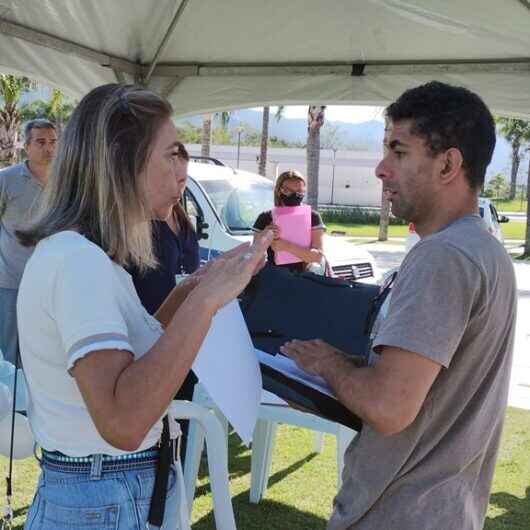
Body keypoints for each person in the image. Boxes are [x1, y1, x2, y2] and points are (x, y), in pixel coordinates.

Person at [16, 84, 272, 530]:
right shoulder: (77, 262)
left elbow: (129, 366)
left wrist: (190, 291)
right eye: (172, 154)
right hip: (106, 499)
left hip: (109, 493)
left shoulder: (87, 257)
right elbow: (124, 420)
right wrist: (207, 302)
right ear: (122, 160)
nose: (182, 173)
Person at [281, 81, 517, 530]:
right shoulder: (483, 250)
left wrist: (329, 364)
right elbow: (430, 395)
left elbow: (390, 407)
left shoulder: (443, 257)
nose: (380, 169)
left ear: (448, 163)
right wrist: (354, 369)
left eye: (399, 151)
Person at [128, 141, 199, 461]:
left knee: (183, 401)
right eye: (172, 179)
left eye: (183, 180)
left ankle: (177, 457)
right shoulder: (138, 225)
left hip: (185, 328)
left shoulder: (184, 221)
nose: (177, 187)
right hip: (151, 327)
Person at [0, 119, 57, 364]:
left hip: (52, 284)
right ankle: (10, 401)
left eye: (53, 142)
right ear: (26, 146)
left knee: (46, 351)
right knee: (10, 351)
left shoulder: (65, 181)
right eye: (41, 142)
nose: (49, 148)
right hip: (12, 282)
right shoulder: (6, 180)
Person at [253, 169, 325, 272]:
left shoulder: (312, 216)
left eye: (299, 191)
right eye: (288, 191)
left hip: (302, 279)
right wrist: (264, 236)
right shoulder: (265, 217)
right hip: (271, 278)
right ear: (279, 190)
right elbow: (254, 255)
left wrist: (286, 246)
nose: (294, 195)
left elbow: (317, 257)